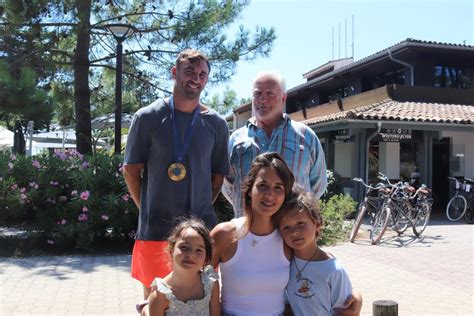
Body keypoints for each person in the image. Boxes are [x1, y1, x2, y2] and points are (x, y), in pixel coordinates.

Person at [123, 49, 229, 299]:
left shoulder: (216, 123)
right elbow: (130, 171)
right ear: (174, 72)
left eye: (202, 74)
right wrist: (147, 207)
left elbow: (217, 177)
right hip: (155, 232)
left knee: (199, 302)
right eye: (189, 71)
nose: (196, 78)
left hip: (200, 235)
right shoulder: (147, 117)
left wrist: (199, 210)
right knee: (155, 302)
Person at [211, 152, 360, 315]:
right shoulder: (224, 235)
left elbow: (318, 267)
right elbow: (198, 282)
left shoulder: (286, 238)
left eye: (278, 188)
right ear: (249, 190)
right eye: (262, 185)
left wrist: (354, 297)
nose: (269, 194)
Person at [223, 71, 328, 218]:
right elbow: (228, 185)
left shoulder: (306, 137)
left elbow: (318, 184)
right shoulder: (236, 139)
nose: (262, 99)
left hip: (290, 234)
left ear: (283, 98)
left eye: (270, 94)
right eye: (257, 93)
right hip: (246, 232)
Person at [274, 187, 355, 315]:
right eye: (286, 227)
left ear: (317, 224)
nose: (294, 232)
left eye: (301, 223)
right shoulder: (285, 265)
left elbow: (346, 311)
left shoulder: (334, 270)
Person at [139, 218, 221, 316]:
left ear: (206, 257)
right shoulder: (160, 295)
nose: (191, 254)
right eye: (184, 247)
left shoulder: (211, 284)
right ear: (171, 250)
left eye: (198, 250)